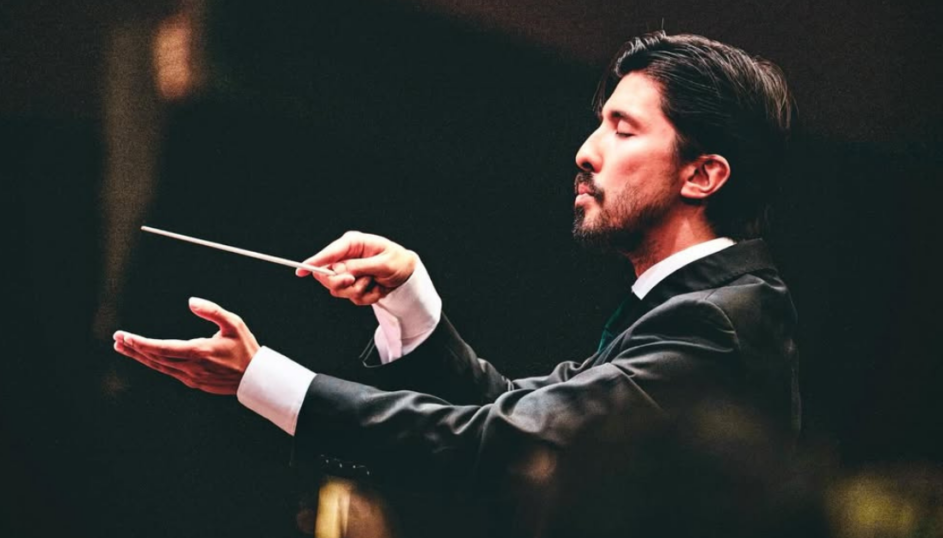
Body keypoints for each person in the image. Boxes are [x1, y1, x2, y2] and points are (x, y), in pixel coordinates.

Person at [113, 31, 802, 537]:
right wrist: (411, 300)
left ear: (702, 175)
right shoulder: (697, 308)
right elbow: (515, 414)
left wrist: (264, 380)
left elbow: (502, 446)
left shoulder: (718, 322)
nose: (586, 151)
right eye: (599, 124)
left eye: (622, 130)